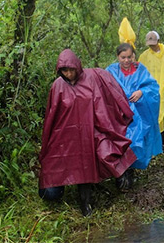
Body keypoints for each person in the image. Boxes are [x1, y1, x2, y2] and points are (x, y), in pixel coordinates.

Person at [38, 49, 136, 216]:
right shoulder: (58, 86)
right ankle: (76, 194)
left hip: (96, 131)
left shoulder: (95, 77)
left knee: (107, 152)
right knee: (49, 191)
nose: (68, 74)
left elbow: (112, 97)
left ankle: (119, 178)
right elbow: (52, 118)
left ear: (78, 65)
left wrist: (117, 118)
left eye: (71, 69)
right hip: (68, 138)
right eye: (64, 71)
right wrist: (49, 145)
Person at [107, 43, 163, 176]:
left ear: (133, 56)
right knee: (121, 143)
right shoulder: (111, 71)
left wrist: (142, 92)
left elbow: (153, 88)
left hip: (138, 116)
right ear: (117, 57)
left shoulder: (140, 69)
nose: (126, 60)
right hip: (118, 116)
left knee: (135, 141)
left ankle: (130, 170)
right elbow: (103, 89)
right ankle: (122, 173)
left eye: (129, 57)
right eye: (123, 57)